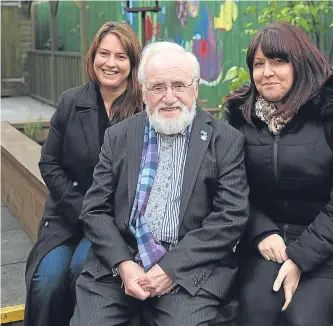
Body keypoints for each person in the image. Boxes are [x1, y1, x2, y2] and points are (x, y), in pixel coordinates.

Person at [69, 41, 249, 326]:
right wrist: (123, 264)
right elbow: (94, 209)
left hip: (191, 267)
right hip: (123, 262)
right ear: (143, 93)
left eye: (178, 85)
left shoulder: (224, 140)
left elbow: (230, 217)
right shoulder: (119, 136)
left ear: (195, 88)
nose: (169, 97)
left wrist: (170, 269)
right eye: (157, 87)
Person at [225, 22, 333, 326]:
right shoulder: (242, 117)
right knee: (256, 316)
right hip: (273, 239)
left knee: (301, 319)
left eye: (278, 61)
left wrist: (300, 258)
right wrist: (260, 231)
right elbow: (231, 188)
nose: (267, 72)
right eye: (259, 64)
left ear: (300, 62)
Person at [24, 21, 143, 326]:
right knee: (47, 280)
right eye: (104, 53)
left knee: (82, 271)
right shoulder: (71, 102)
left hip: (113, 223)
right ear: (93, 56)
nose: (111, 63)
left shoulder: (143, 110)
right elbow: (49, 163)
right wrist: (80, 209)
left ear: (133, 63)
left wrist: (100, 217)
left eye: (121, 56)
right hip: (67, 216)